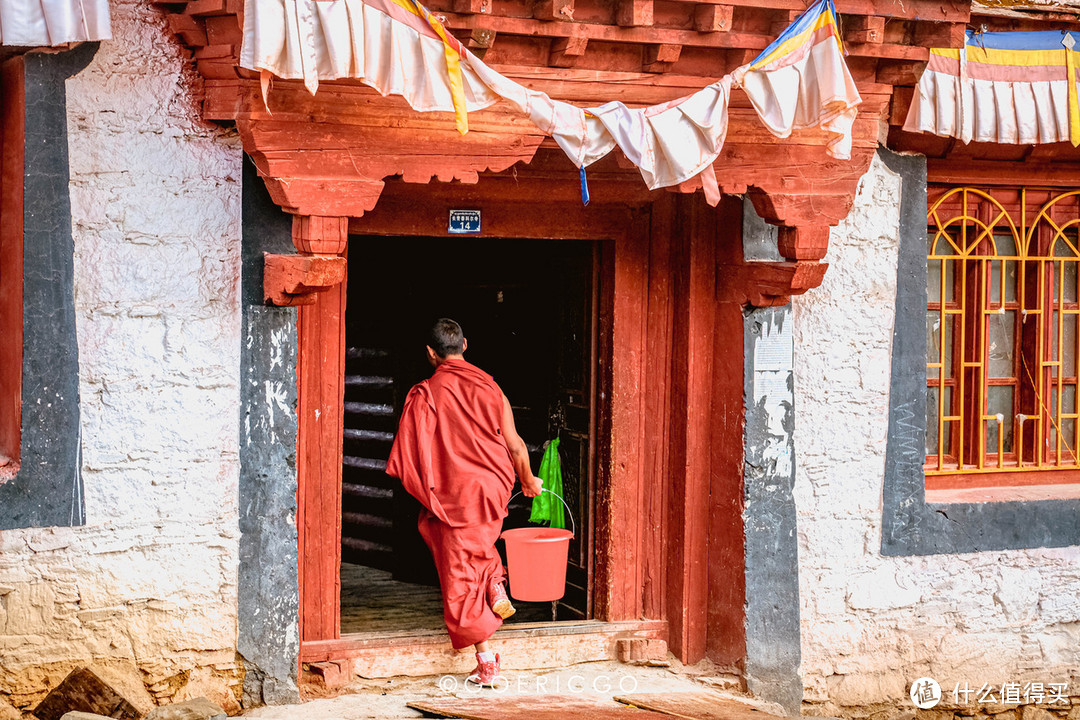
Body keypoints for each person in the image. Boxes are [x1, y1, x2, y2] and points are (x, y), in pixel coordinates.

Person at [386, 318, 543, 687]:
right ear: (465, 345)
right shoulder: (490, 386)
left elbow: (414, 451)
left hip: (454, 491)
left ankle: (486, 662)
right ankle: (494, 583)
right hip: (491, 487)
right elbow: (515, 444)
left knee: (459, 573)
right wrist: (527, 479)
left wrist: (428, 484)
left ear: (430, 353)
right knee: (478, 548)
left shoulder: (425, 393)